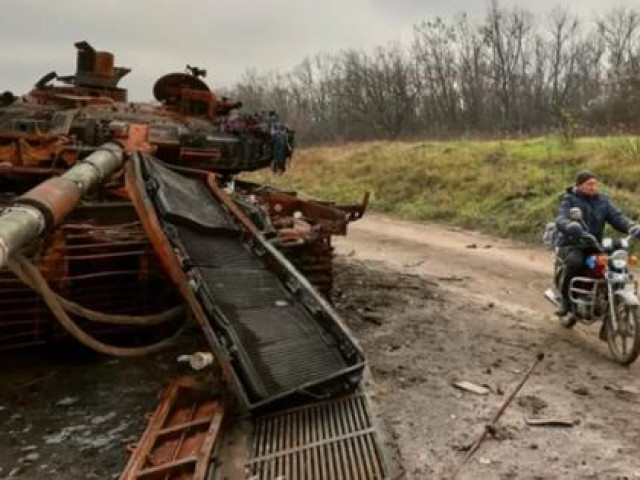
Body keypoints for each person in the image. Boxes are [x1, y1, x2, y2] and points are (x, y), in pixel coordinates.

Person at [555, 171, 640, 316]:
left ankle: (615, 296)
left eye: (595, 184)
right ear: (580, 185)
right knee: (575, 263)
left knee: (617, 265)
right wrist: (570, 226)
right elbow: (562, 218)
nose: (593, 187)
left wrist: (632, 227)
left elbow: (617, 217)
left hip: (595, 244)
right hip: (573, 243)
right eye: (589, 184)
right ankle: (566, 300)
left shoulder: (603, 201)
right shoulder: (569, 199)